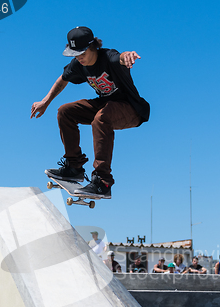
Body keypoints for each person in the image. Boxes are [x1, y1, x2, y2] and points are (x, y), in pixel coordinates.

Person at [31, 26, 150, 199]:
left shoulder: (108, 57)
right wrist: (45, 101)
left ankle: (103, 181)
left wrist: (129, 55)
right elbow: (62, 80)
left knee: (101, 118)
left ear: (93, 46)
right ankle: (74, 167)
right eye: (75, 55)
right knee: (65, 111)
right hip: (105, 105)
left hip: (131, 108)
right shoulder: (78, 65)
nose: (79, 58)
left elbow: (121, 58)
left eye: (82, 53)